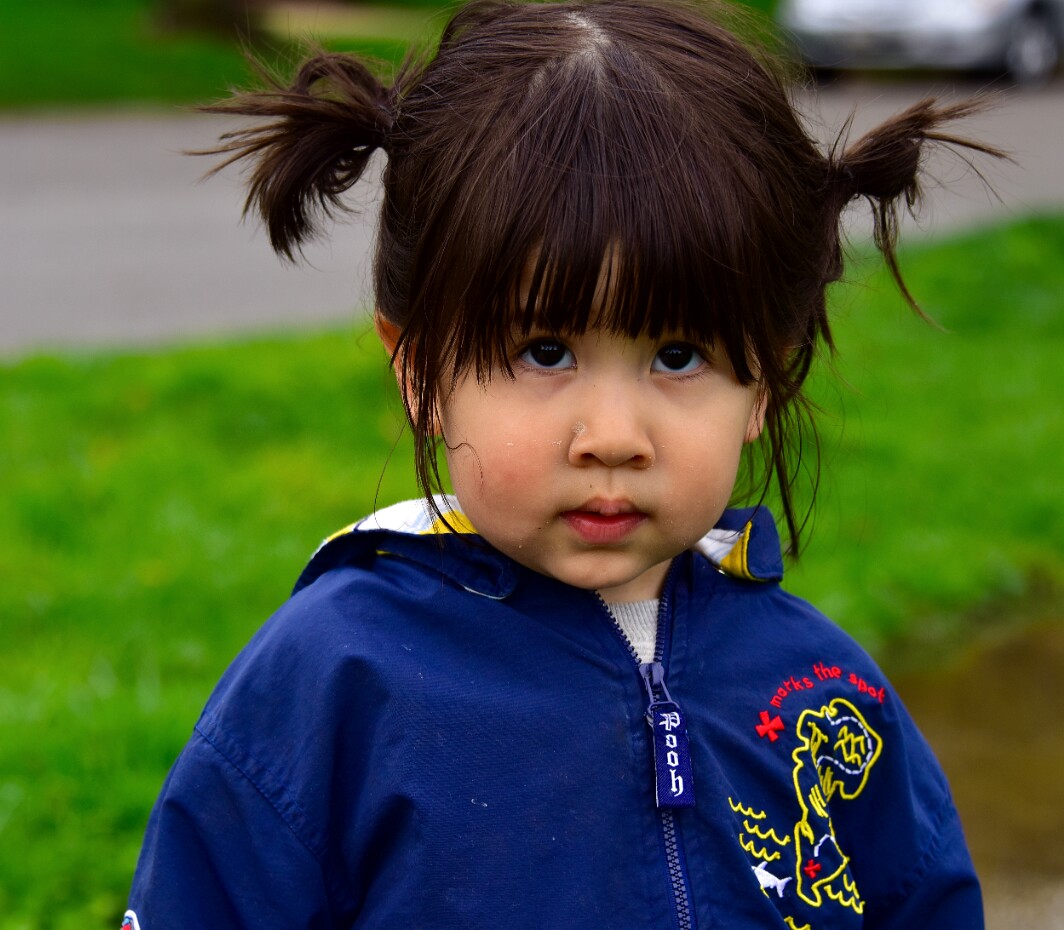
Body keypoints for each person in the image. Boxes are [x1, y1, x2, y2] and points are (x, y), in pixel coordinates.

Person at [124, 1, 1000, 926]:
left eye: (678, 355)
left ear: (765, 383)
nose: (613, 434)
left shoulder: (828, 698)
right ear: (418, 367)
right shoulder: (332, 686)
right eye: (545, 350)